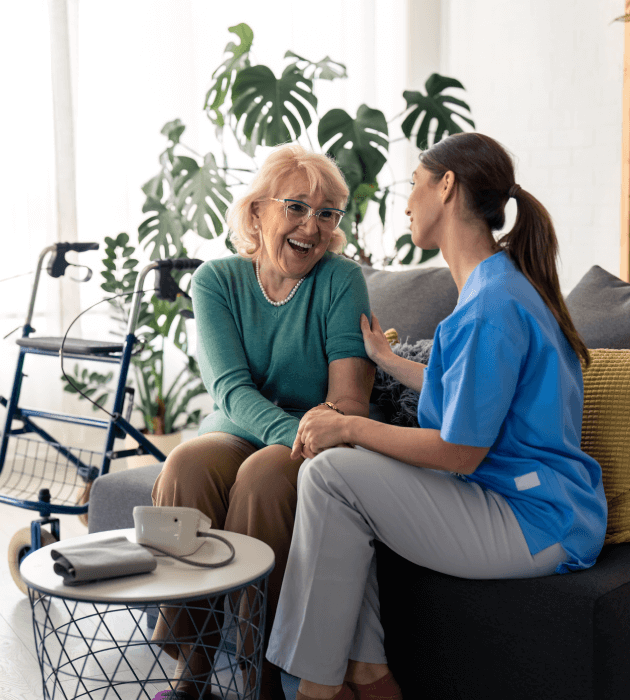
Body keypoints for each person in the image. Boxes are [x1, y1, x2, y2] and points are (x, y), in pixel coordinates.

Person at [264, 132, 608, 700]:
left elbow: (459, 449)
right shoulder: (494, 288)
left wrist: (348, 425)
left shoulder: (492, 305)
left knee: (330, 473)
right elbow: (471, 395)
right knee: (344, 494)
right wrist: (388, 361)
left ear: (446, 186)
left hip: (535, 520)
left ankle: (314, 690)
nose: (405, 202)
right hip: (524, 504)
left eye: (415, 185)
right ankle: (371, 679)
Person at [151, 143, 375, 700]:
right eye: (295, 207)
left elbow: (348, 400)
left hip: (315, 438)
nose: (312, 226)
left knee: (265, 476)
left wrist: (304, 435)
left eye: (326, 214)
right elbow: (229, 388)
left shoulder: (341, 282)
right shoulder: (216, 281)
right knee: (186, 465)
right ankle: (193, 671)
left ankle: (263, 677)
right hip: (239, 423)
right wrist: (288, 431)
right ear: (257, 212)